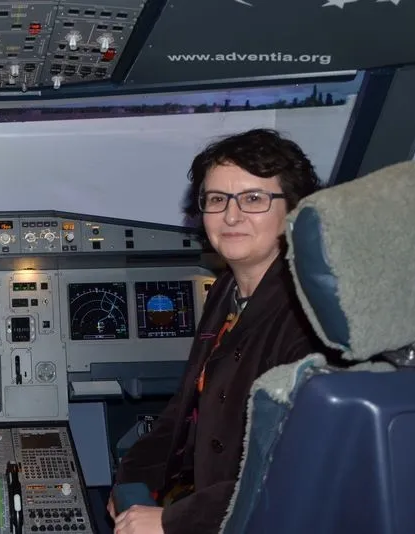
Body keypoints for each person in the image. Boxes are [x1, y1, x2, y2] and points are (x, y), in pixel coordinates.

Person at [108, 129, 338, 534]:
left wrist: (173, 521)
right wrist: (131, 477)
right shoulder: (225, 291)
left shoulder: (309, 315)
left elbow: (296, 465)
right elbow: (185, 410)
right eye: (217, 199)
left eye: (253, 198)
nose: (231, 216)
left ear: (294, 209)